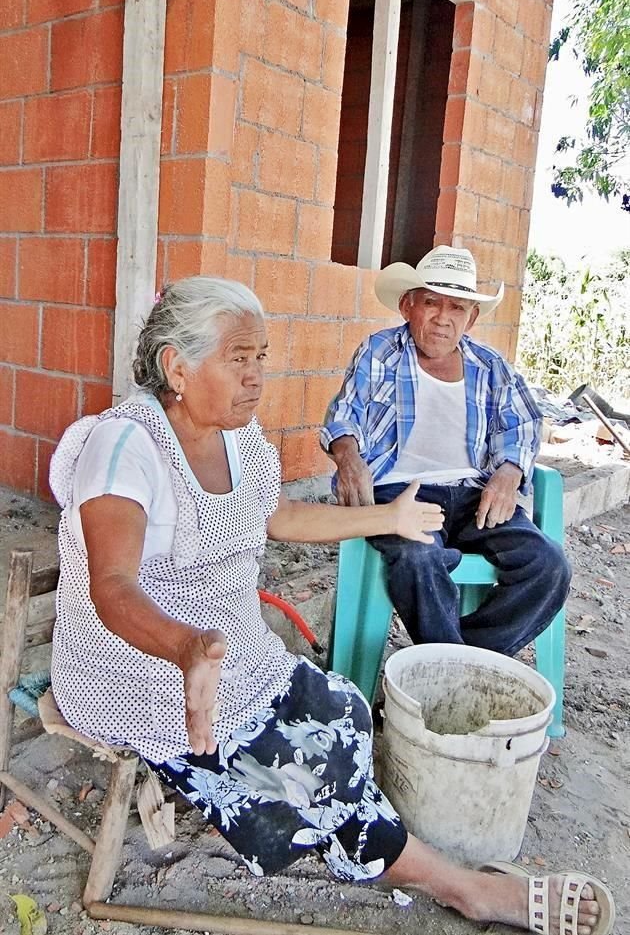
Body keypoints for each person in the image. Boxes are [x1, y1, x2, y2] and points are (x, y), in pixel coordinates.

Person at [49, 277, 611, 935]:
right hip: (135, 673)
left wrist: (391, 514)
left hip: (230, 657)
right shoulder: (125, 445)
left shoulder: (237, 436)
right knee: (304, 777)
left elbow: (280, 515)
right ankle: (467, 888)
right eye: (241, 358)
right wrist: (183, 647)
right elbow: (112, 586)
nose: (258, 375)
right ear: (177, 365)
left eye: (262, 356)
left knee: (343, 709)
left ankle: (388, 841)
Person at [321, 245, 572, 657]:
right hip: (402, 495)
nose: (442, 318)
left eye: (456, 307)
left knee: (548, 566)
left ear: (471, 318)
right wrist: (348, 458)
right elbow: (344, 413)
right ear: (408, 306)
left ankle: (455, 662)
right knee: (419, 559)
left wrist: (509, 473)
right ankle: (453, 672)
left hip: (477, 497)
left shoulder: (492, 366)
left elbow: (524, 424)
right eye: (431, 302)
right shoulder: (379, 351)